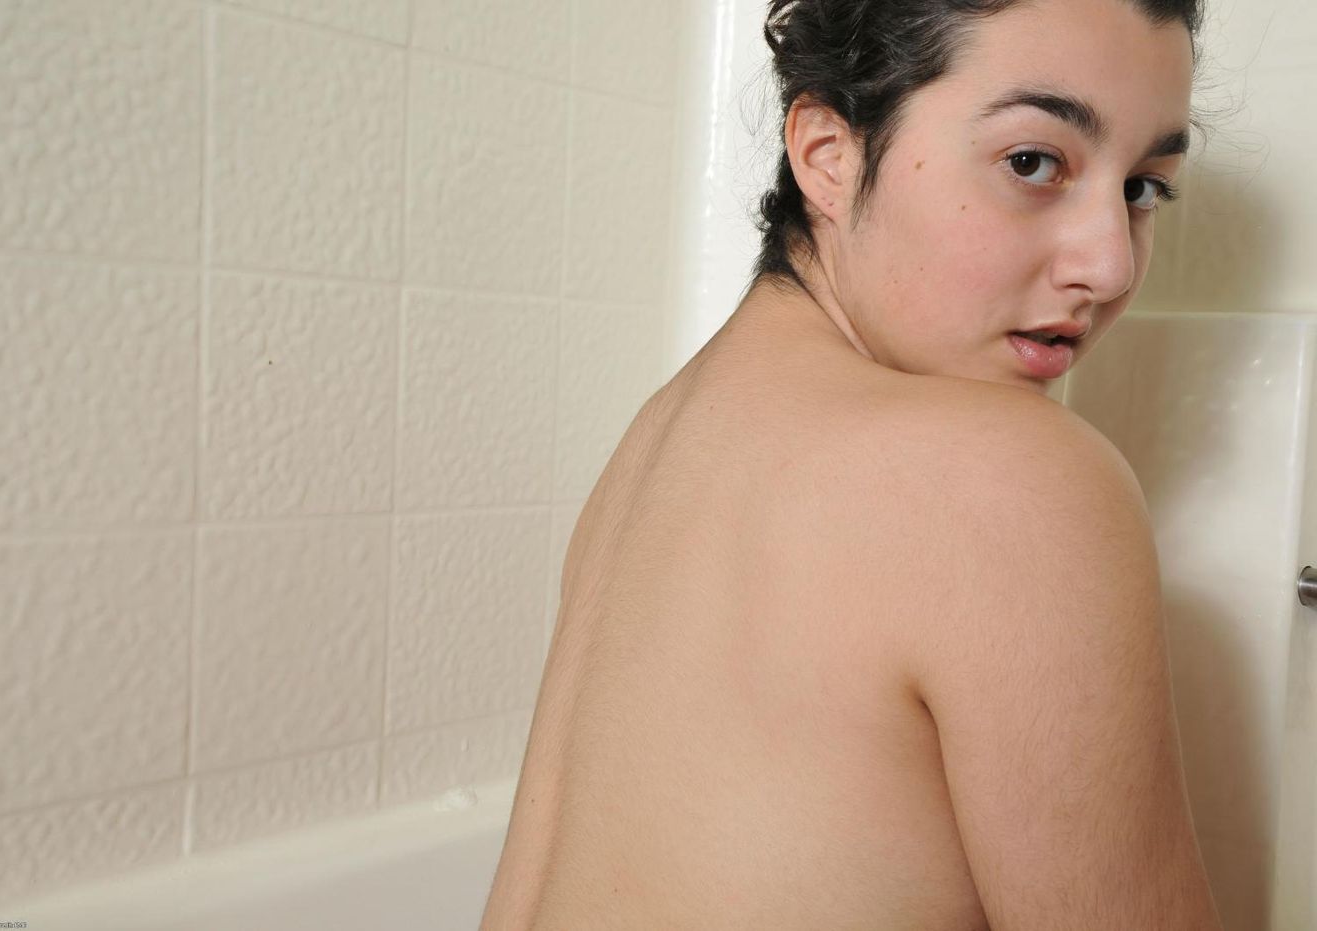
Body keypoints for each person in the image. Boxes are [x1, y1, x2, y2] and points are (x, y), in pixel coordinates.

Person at [481, 0, 1226, 927]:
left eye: (1143, 187)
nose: (1110, 267)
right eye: (1033, 163)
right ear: (829, 155)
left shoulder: (661, 439)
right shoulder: (1012, 474)